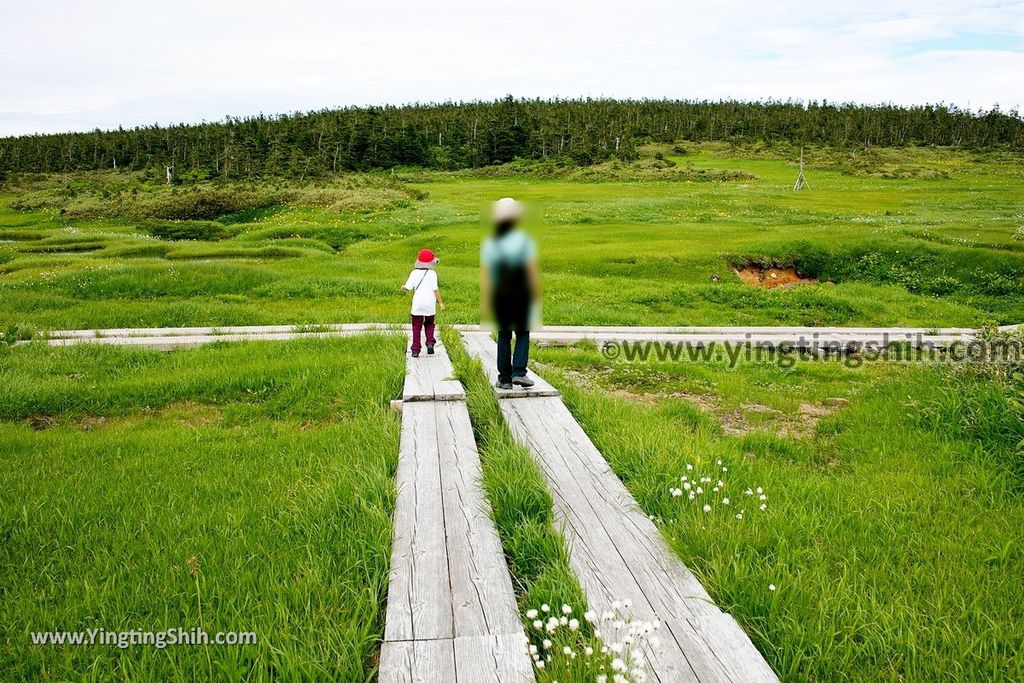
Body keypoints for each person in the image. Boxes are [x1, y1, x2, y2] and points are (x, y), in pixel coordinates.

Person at [481, 198, 539, 389]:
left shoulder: (491, 242)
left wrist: (487, 300)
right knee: (523, 333)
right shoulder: (524, 240)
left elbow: (487, 274)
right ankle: (519, 373)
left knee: (504, 335)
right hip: (521, 292)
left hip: (500, 294)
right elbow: (531, 269)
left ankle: (504, 379)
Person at [401, 248, 445, 357]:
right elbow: (435, 290)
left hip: (417, 305)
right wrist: (440, 303)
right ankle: (430, 342)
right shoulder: (432, 274)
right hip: (429, 305)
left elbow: (408, 288)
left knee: (416, 326)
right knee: (430, 324)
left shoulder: (414, 273)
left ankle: (415, 350)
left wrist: (403, 287)